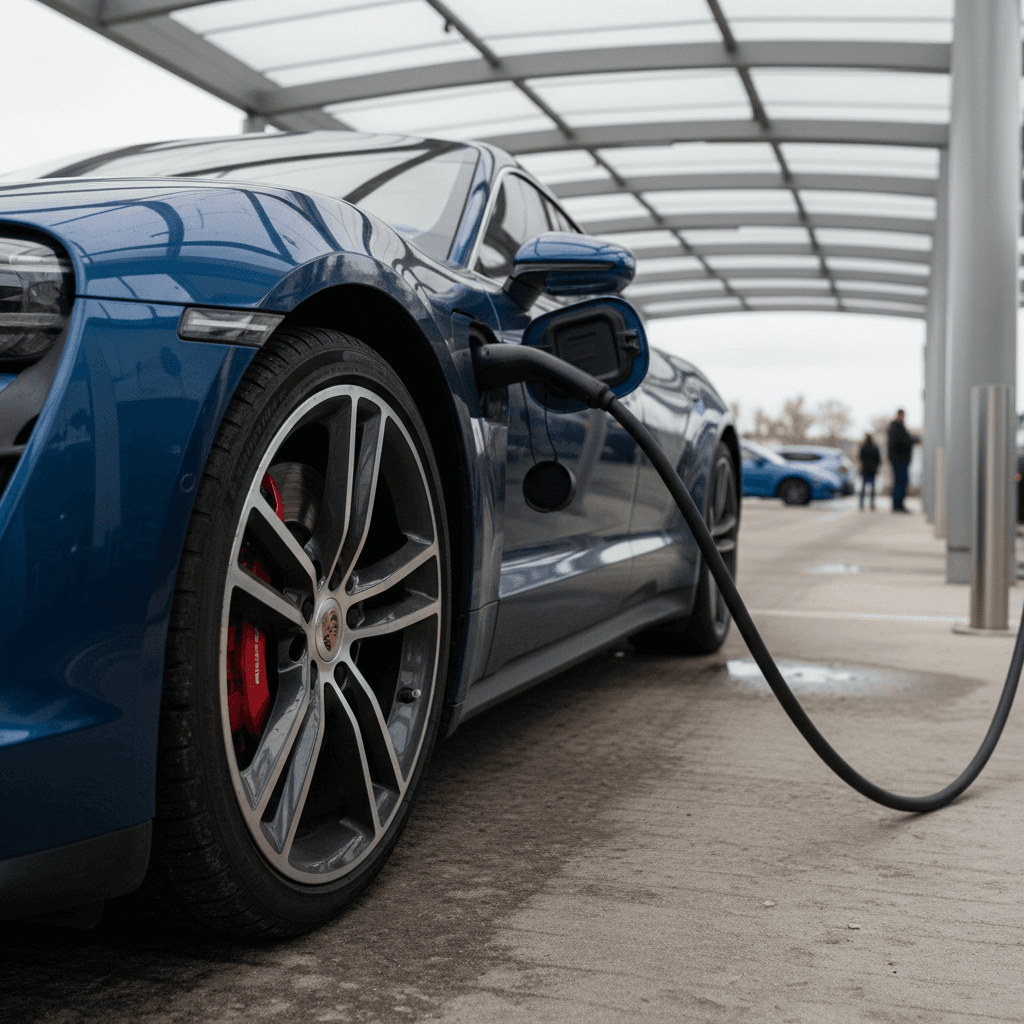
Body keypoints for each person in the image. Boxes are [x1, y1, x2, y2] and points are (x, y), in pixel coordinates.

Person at [886, 409, 919, 513]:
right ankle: (898, 506)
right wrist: (913, 440)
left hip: (900, 459)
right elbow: (902, 441)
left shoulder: (897, 427)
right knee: (901, 482)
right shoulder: (896, 428)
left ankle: (898, 505)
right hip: (899, 459)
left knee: (900, 482)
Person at [858, 432, 881, 511]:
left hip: (865, 469)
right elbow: (878, 459)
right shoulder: (875, 447)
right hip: (872, 469)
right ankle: (872, 504)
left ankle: (861, 504)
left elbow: (860, 458)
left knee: (863, 487)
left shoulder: (863, 447)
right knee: (872, 488)